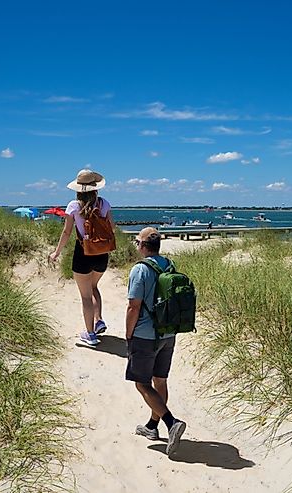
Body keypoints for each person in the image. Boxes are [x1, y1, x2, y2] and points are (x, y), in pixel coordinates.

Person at [125, 227, 187, 457]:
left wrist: (128, 334)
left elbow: (134, 306)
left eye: (137, 241)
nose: (136, 245)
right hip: (168, 333)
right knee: (160, 380)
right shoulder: (169, 265)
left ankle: (171, 423)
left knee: (142, 384)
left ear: (143, 245)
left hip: (145, 335)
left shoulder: (140, 270)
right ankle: (152, 427)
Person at [49, 169, 115, 347]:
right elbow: (112, 228)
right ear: (95, 188)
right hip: (101, 253)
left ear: (78, 188)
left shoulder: (73, 206)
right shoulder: (104, 203)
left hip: (83, 253)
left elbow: (67, 232)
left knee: (85, 296)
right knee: (94, 287)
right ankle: (99, 319)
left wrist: (56, 253)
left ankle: (90, 334)